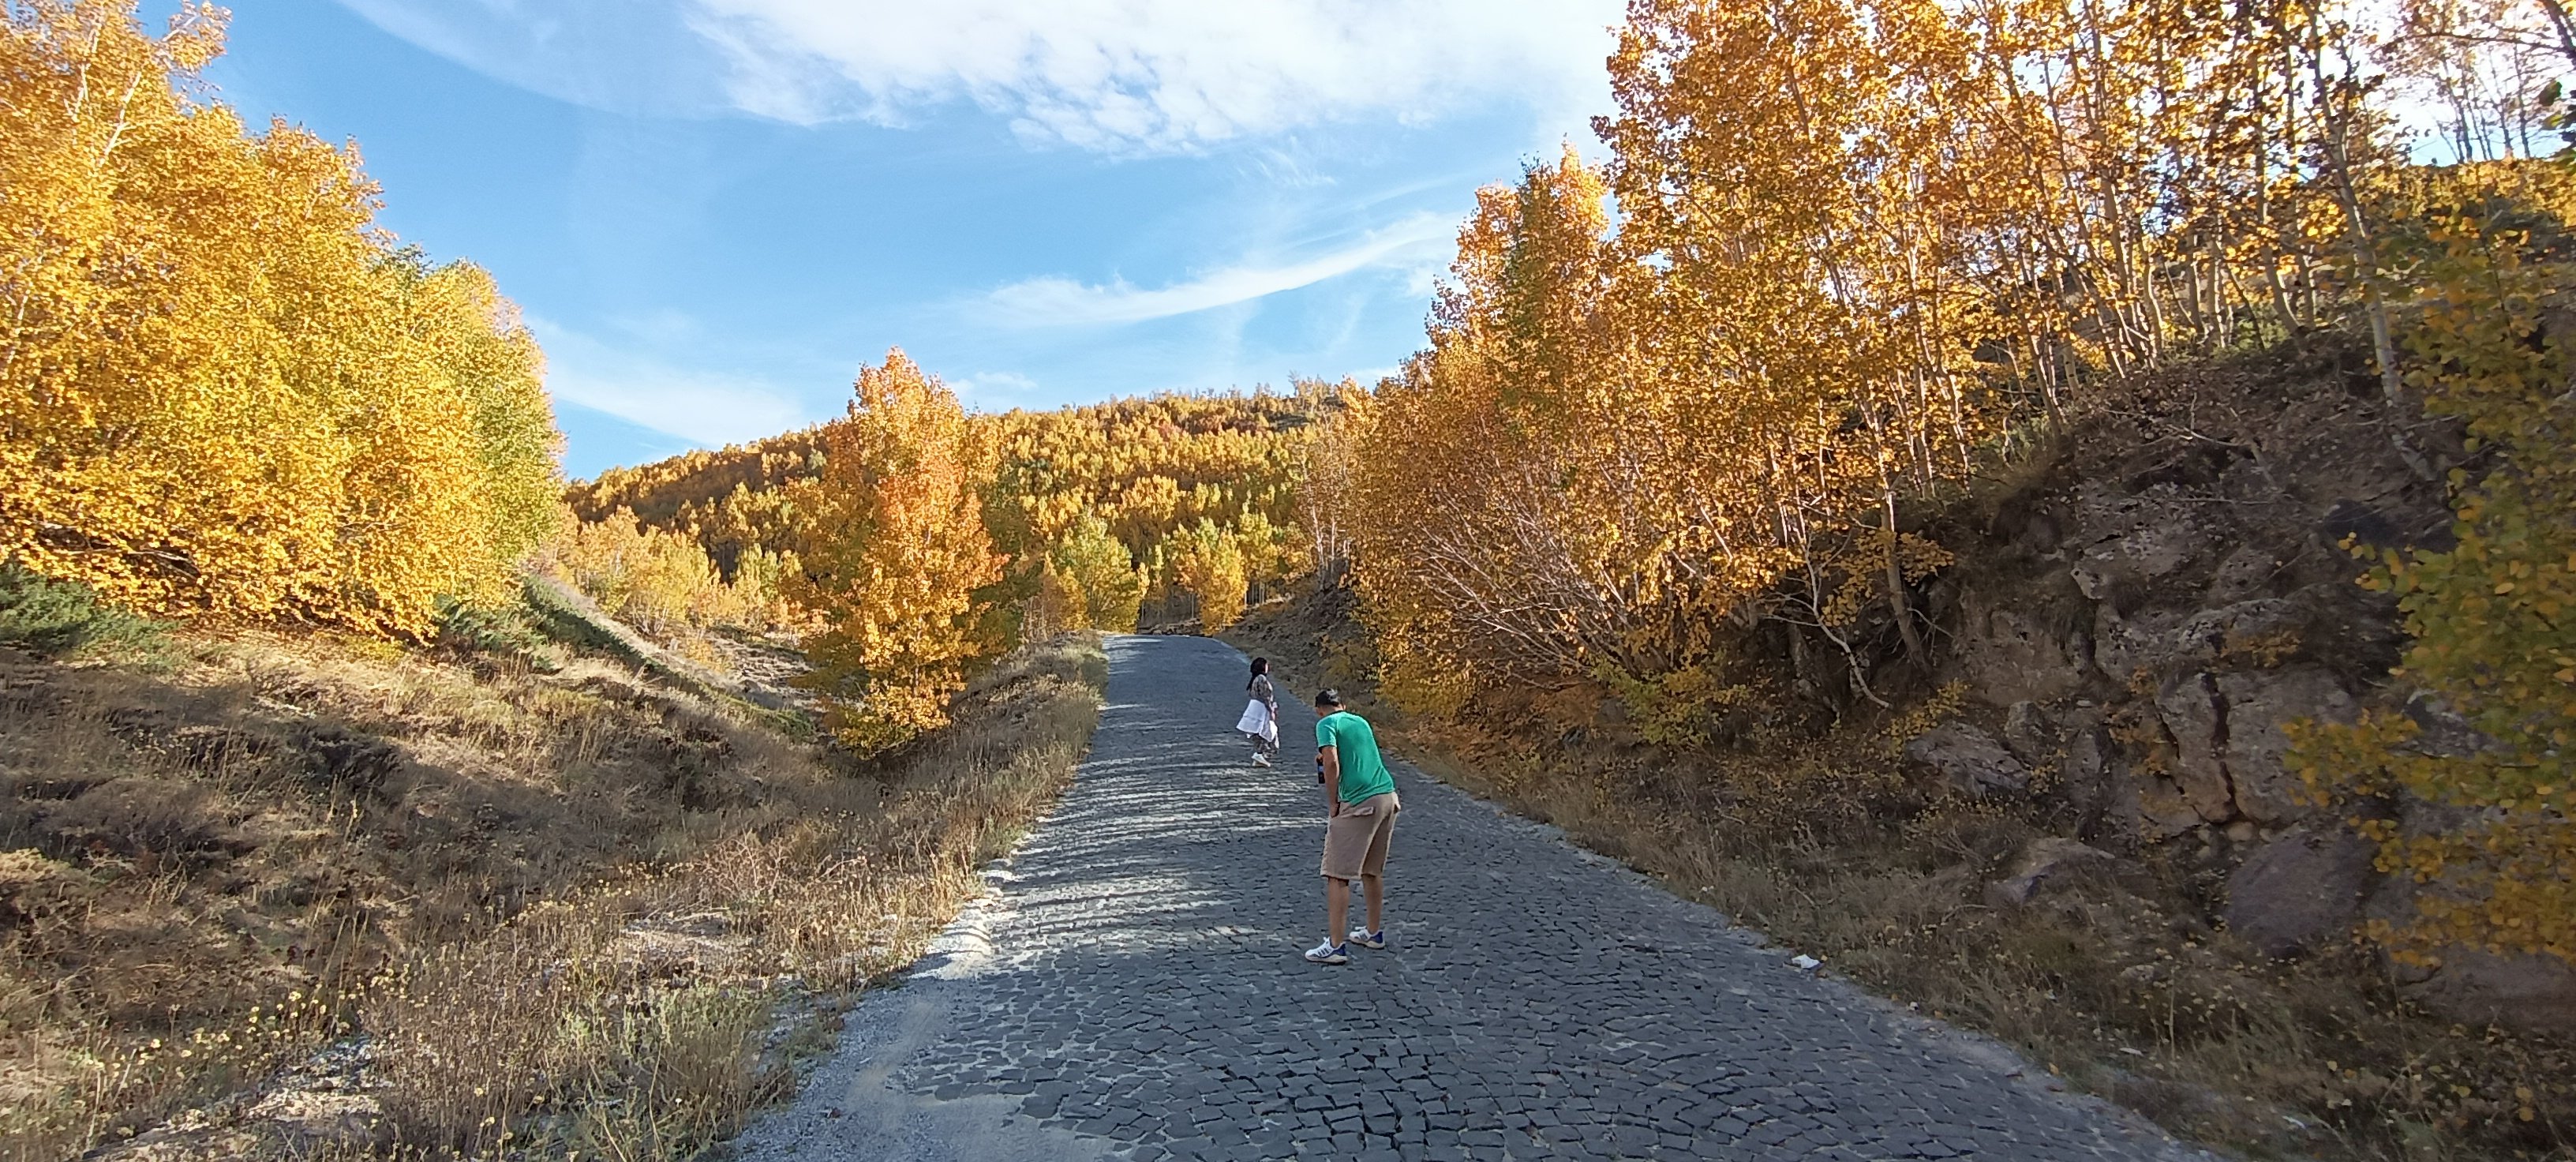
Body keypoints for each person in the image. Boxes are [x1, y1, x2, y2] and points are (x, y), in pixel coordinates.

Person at [1306, 688, 1398, 965]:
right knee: (1372, 870)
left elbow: (1332, 763)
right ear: (1343, 705)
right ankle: (1373, 932)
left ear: (1319, 709)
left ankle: (1335, 946)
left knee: (1336, 873)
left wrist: (1333, 803)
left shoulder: (1326, 724)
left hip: (1359, 802)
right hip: (1387, 796)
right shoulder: (1360, 721)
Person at [1236, 658, 1279, 767]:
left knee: (1258, 732)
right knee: (1268, 731)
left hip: (1254, 707)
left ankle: (1259, 756)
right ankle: (1261, 754)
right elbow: (1267, 697)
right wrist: (1272, 710)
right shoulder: (1262, 679)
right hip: (1262, 708)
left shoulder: (1254, 680)